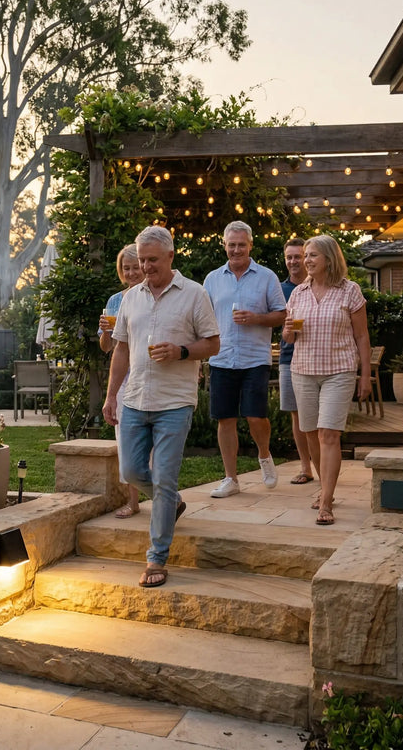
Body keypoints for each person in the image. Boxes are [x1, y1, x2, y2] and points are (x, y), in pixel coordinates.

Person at [103, 226, 220, 588]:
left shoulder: (195, 294)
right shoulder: (130, 299)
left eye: (152, 260)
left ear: (171, 256)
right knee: (132, 471)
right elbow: (120, 348)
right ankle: (172, 503)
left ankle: (156, 558)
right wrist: (111, 396)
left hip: (175, 401)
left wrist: (182, 351)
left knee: (165, 478)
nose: (146, 266)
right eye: (142, 260)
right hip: (136, 398)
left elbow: (213, 344)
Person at [281, 235, 371, 526]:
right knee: (310, 434)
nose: (306, 260)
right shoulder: (298, 293)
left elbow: (361, 336)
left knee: (328, 435)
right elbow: (289, 336)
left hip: (339, 371)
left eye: (312, 255)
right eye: (305, 255)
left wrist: (365, 375)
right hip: (303, 371)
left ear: (329, 259)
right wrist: (287, 332)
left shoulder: (350, 291)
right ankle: (323, 487)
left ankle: (327, 499)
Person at [203, 221, 287, 497]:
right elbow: (203, 319)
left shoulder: (266, 277)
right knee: (225, 419)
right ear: (224, 245)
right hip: (222, 357)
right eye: (231, 244)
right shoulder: (212, 279)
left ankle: (264, 453)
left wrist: (257, 319)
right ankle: (231, 479)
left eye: (241, 244)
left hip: (255, 359)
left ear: (250, 245)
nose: (236, 249)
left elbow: (282, 314)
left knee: (255, 416)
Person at [98, 244, 144, 518]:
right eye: (126, 268)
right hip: (123, 379)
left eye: (135, 267)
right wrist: (105, 331)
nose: (131, 273)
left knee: (147, 441)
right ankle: (134, 501)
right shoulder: (115, 301)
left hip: (147, 375)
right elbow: (107, 347)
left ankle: (163, 497)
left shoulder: (152, 296)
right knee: (125, 439)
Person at [279, 238, 315, 485]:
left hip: (316, 358)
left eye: (298, 256)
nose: (293, 261)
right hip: (288, 358)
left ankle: (325, 465)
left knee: (319, 418)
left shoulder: (319, 286)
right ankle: (306, 467)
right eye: (289, 257)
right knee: (296, 415)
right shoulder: (279, 290)